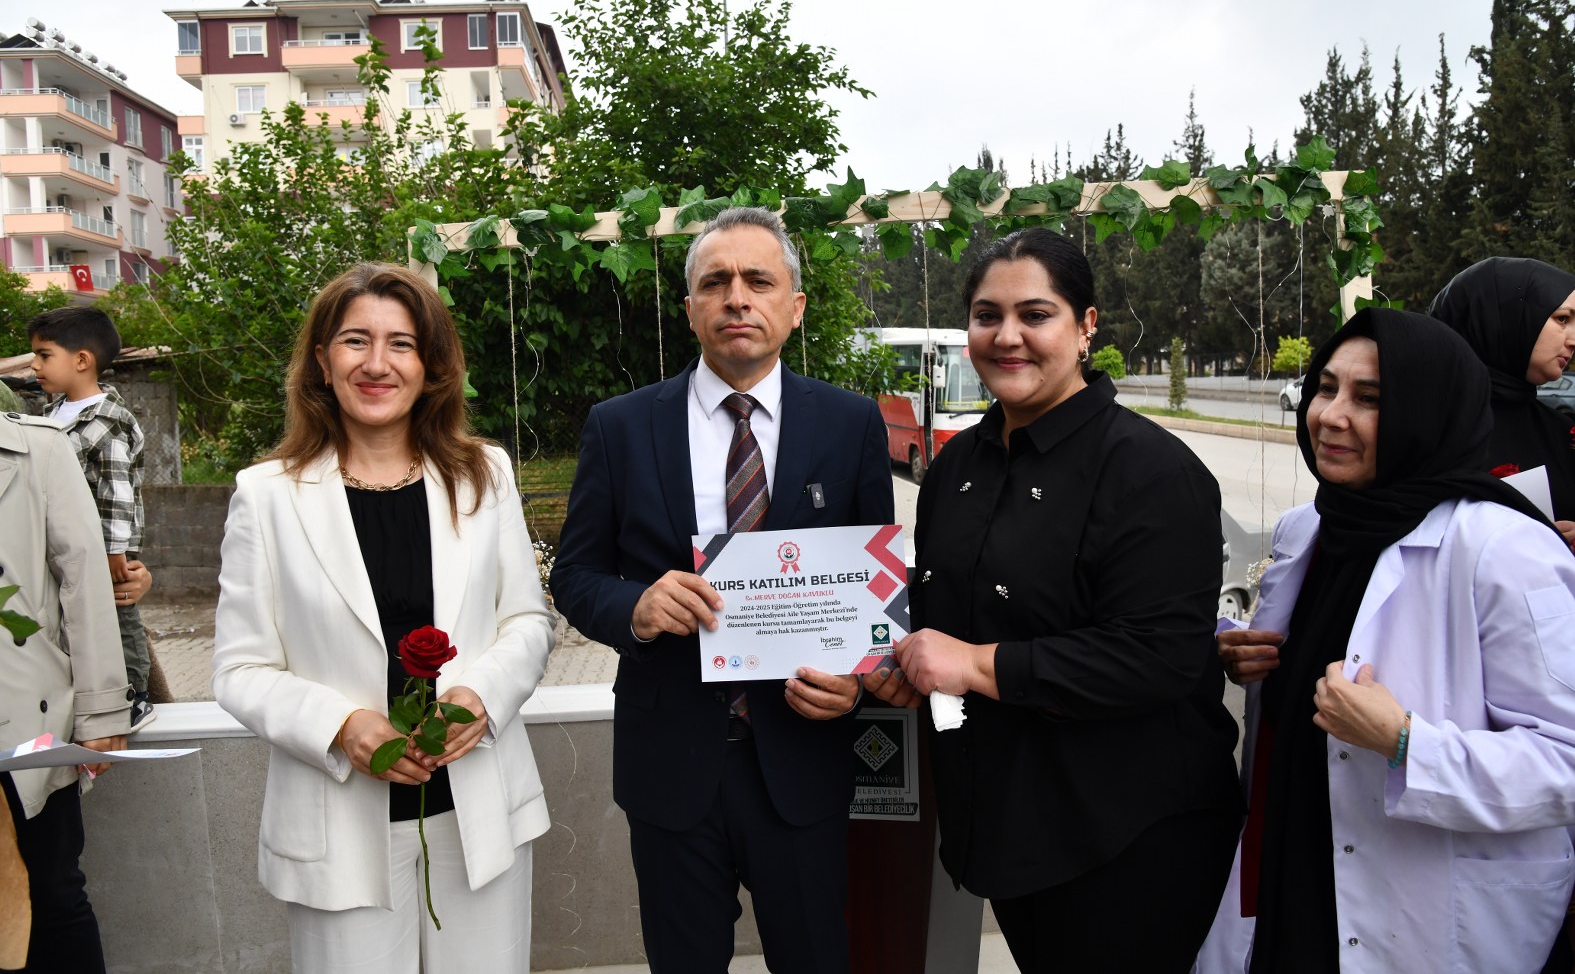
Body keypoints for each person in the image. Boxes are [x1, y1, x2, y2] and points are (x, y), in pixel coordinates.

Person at [868, 227, 1241, 972]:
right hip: (1002, 825)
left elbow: (1158, 658)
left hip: (1125, 837)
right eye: (985, 315)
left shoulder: (1150, 472)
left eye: (1034, 314)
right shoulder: (955, 468)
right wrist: (906, 670)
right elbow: (945, 621)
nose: (1006, 337)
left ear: (1085, 326)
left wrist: (973, 665)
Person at [550, 206, 894, 974]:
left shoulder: (849, 424)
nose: (737, 297)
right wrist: (633, 609)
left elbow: (877, 590)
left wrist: (860, 679)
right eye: (716, 282)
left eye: (758, 280)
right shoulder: (621, 426)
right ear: (690, 309)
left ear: (793, 307)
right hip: (671, 762)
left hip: (803, 761)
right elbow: (572, 577)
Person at [1206, 307, 1575, 973]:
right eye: (1324, 387)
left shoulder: (1503, 550)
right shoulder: (1306, 528)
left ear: (1429, 412)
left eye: (1369, 399)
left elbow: (1565, 764)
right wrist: (1243, 658)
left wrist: (1408, 742)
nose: (1329, 415)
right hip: (1290, 874)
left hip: (1418, 915)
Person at [212, 263, 555, 974]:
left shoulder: (484, 475)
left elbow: (527, 620)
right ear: (321, 360)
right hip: (340, 827)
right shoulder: (267, 496)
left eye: (401, 344)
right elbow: (240, 670)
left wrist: (481, 699)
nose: (376, 364)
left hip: (476, 817)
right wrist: (340, 725)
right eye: (354, 341)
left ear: (431, 365)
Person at [0, 408, 133, 973]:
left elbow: (84, 579)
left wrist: (102, 713)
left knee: (53, 890)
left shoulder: (37, 448)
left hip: (25, 717)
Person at [27, 306, 155, 730]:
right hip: (67, 545)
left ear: (81, 360)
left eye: (44, 355)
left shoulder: (108, 420)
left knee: (117, 617)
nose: (34, 365)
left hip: (104, 546)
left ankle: (135, 693)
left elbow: (118, 489)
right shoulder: (50, 416)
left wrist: (116, 551)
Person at [1429, 255, 1575, 546]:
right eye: (1562, 319)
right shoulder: (1420, 425)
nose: (1573, 338)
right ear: (1501, 316)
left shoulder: (1562, 432)